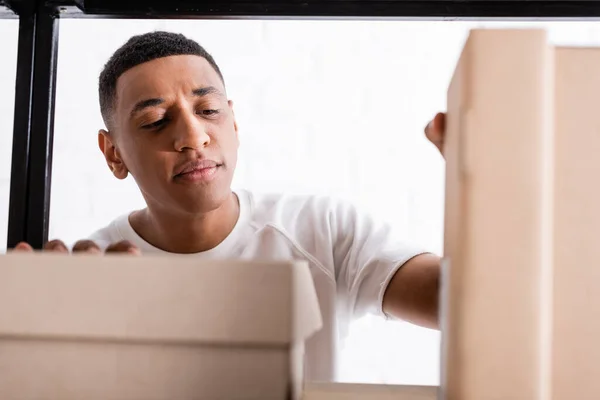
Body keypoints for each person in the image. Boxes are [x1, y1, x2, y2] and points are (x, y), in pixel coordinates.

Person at [14, 31, 447, 382]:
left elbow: (458, 303)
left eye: (209, 109)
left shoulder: (323, 229)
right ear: (114, 154)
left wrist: (487, 185)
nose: (194, 136)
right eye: (155, 121)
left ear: (234, 122)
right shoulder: (90, 275)